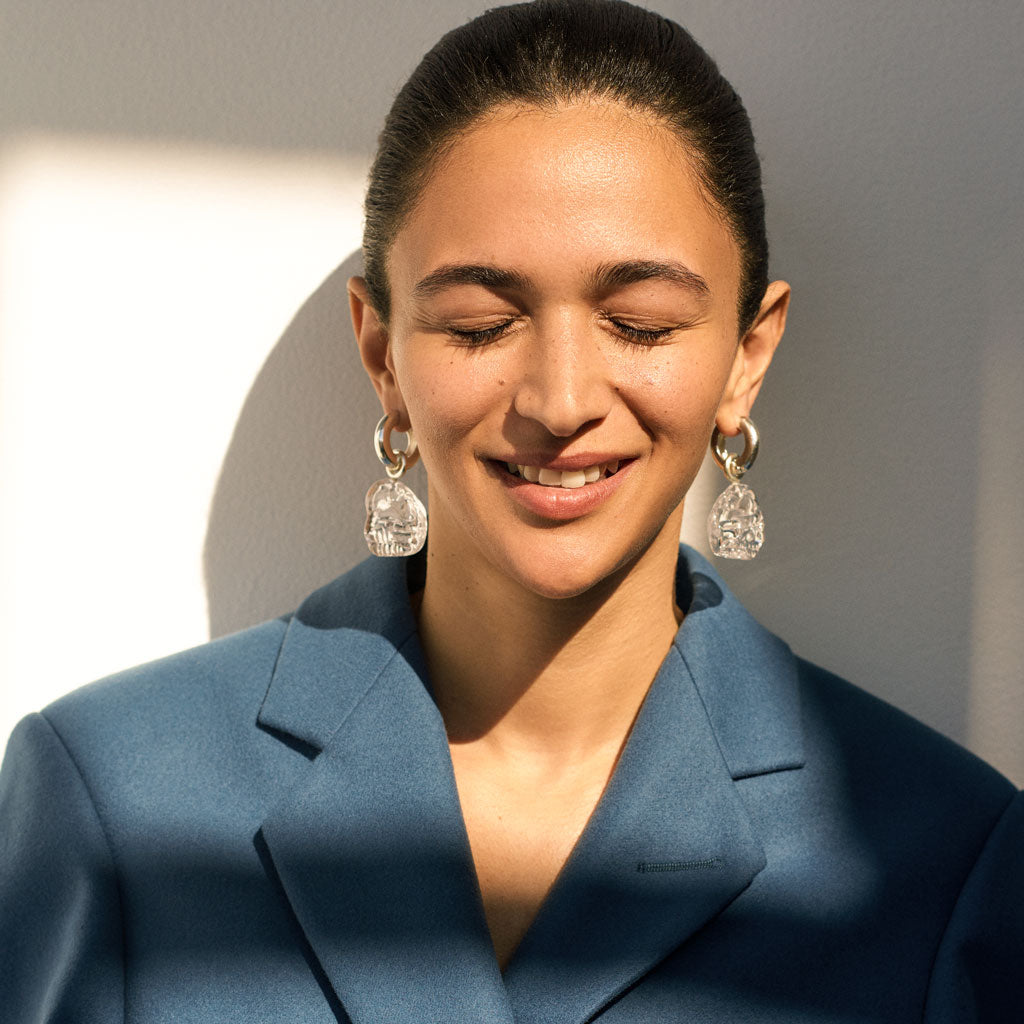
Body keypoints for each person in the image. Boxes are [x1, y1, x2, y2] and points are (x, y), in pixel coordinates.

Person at [1, 1, 1021, 1021]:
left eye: (638, 322)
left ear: (745, 358)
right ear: (381, 355)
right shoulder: (116, 800)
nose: (560, 400)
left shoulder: (942, 859)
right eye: (483, 324)